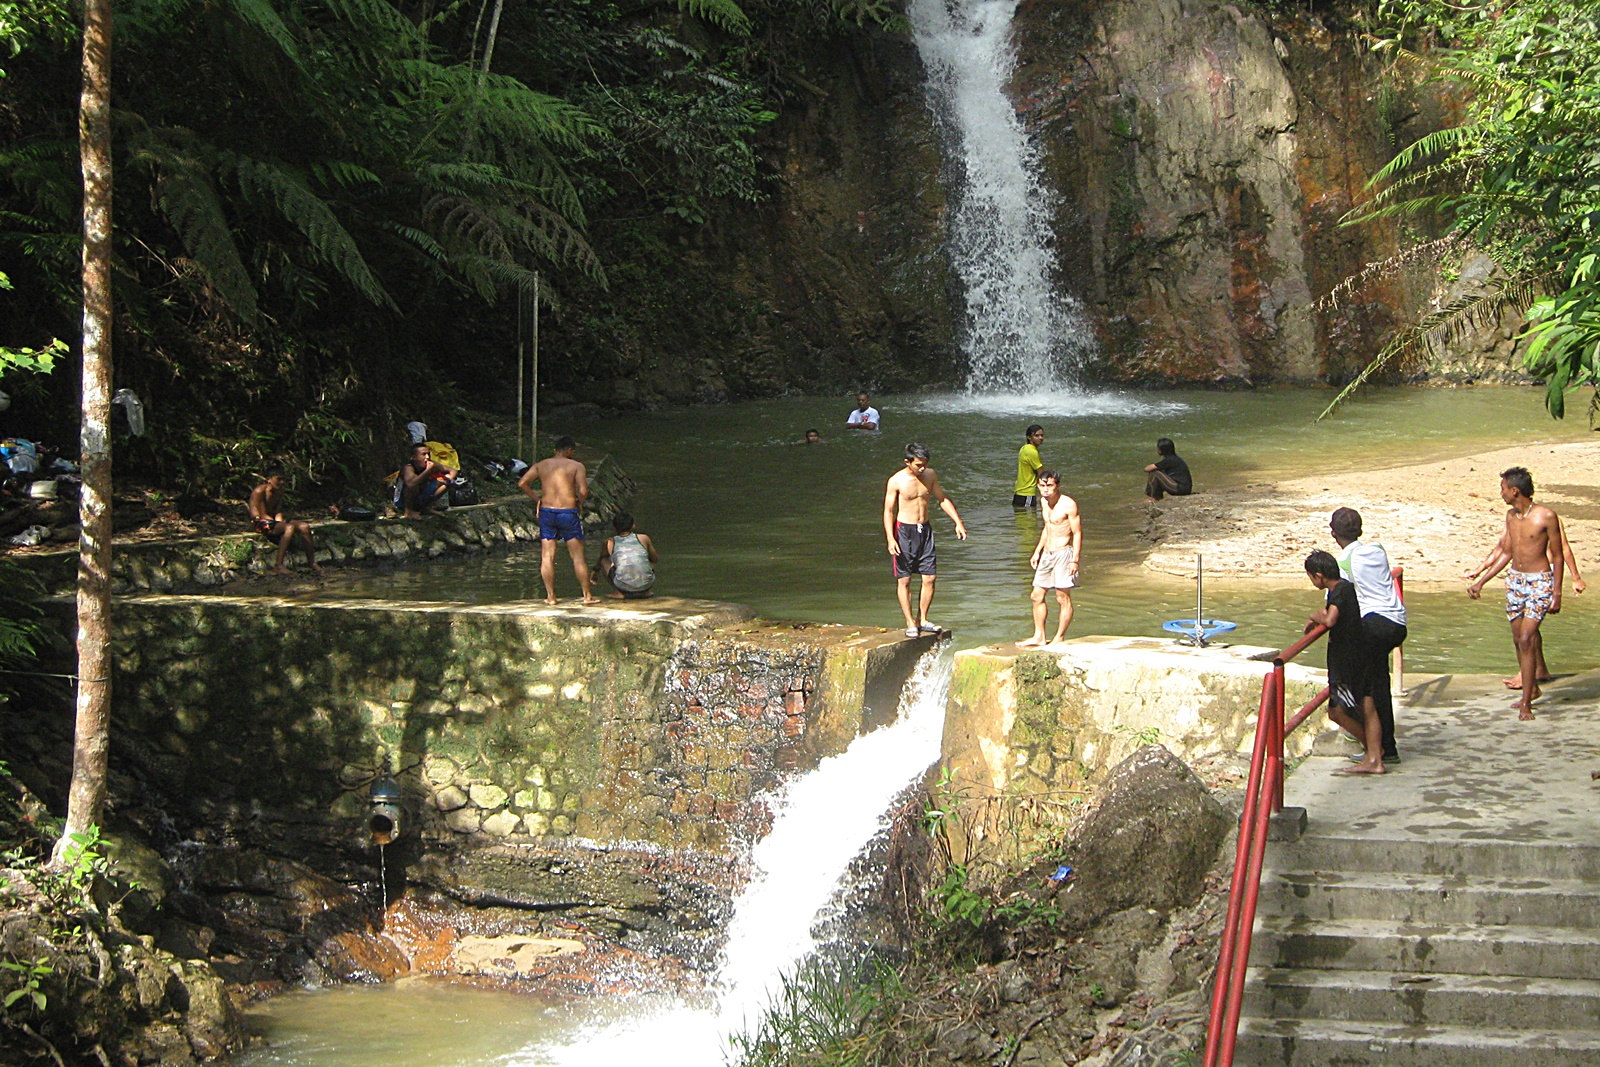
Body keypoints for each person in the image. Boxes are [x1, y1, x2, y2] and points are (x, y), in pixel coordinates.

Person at [1467, 466, 1564, 720]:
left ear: (1515, 490)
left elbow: (1558, 554)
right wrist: (1482, 581)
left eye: (1502, 489)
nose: (1501, 494)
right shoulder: (1511, 516)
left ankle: (1525, 702)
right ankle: (1533, 689)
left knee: (1526, 638)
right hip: (1515, 581)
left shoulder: (1546, 516)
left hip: (1539, 581)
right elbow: (1507, 552)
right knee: (1517, 638)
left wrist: (1557, 592)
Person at [1464, 515, 1586, 690]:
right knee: (1529, 625)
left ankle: (1525, 674)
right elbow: (1503, 548)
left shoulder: (1547, 518)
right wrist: (1480, 569)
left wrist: (1576, 578)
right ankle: (1540, 670)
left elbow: (1563, 549)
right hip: (1522, 577)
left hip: (1544, 574)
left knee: (1527, 627)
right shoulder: (1513, 518)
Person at [1329, 507, 1406, 764]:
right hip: (1397, 621)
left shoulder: (1342, 564)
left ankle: (1379, 750)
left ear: (1333, 533)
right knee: (1378, 683)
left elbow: (1336, 604)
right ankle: (1384, 746)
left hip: (1373, 626)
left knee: (1367, 693)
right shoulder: (1378, 550)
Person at [1304, 550, 1383, 775]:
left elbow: (1330, 619)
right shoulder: (1344, 588)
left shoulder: (1338, 591)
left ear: (1319, 575)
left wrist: (1313, 617)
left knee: (1337, 711)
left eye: (1311, 576)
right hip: (1360, 655)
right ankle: (1375, 756)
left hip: (1347, 661)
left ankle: (1373, 754)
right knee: (1367, 706)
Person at [884, 442, 967, 637]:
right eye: (918, 465)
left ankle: (923, 619)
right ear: (907, 462)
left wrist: (958, 522)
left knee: (929, 578)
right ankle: (910, 622)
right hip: (904, 531)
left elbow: (942, 499)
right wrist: (890, 538)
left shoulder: (930, 475)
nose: (922, 468)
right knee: (904, 579)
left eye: (924, 464)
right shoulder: (896, 481)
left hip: (925, 529)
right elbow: (888, 511)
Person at [519, 435, 599, 606]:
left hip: (547, 512)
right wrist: (580, 503)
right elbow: (583, 490)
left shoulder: (541, 465)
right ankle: (587, 596)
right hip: (567, 512)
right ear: (570, 450)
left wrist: (537, 500)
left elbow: (523, 483)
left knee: (547, 556)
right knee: (577, 557)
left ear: (555, 450)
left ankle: (551, 597)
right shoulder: (576, 466)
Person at [1020, 470, 1080, 647]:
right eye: (1042, 486)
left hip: (1063, 554)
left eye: (1050, 486)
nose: (1045, 490)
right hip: (1047, 553)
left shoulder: (1068, 504)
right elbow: (1048, 528)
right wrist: (1037, 551)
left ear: (1058, 486)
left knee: (1062, 598)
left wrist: (1074, 560)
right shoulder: (1043, 502)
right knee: (1036, 595)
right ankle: (1039, 636)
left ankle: (1059, 637)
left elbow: (1077, 533)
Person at [248, 467, 322, 576]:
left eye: (283, 479)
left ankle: (312, 563)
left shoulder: (280, 491)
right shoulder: (259, 491)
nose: (281, 482)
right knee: (289, 527)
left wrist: (279, 520)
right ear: (269, 479)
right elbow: (263, 514)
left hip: (273, 520)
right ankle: (279, 565)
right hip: (260, 521)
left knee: (304, 526)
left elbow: (278, 511)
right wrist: (280, 524)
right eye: (278, 479)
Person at [593, 512, 659, 599]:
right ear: (633, 526)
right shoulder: (644, 538)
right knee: (647, 559)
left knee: (604, 560)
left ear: (614, 528)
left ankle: (619, 592)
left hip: (623, 587)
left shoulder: (609, 542)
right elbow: (655, 559)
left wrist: (595, 572)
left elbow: (601, 559)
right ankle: (644, 591)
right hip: (647, 585)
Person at [399, 442, 455, 518]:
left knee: (445, 483)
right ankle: (408, 511)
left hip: (421, 497)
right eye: (423, 454)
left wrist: (449, 478)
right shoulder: (408, 468)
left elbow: (452, 470)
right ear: (414, 457)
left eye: (428, 454)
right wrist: (427, 471)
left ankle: (427, 508)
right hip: (403, 501)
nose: (427, 457)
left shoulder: (432, 464)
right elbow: (411, 484)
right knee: (413, 484)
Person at [1013, 425, 1045, 508]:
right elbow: (1041, 473)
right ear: (1029, 437)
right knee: (1029, 519)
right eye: (1037, 436)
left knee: (1021, 518)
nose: (1040, 438)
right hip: (1027, 493)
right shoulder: (1031, 451)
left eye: (1042, 435)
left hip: (1019, 491)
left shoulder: (1024, 448)